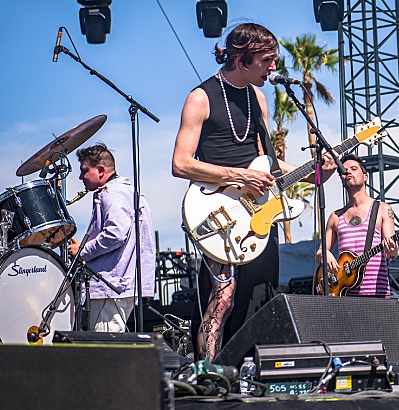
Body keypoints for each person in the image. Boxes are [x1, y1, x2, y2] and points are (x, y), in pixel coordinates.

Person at [172, 22, 335, 362]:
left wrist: (315, 173)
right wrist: (237, 176)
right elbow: (181, 164)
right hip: (219, 212)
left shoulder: (258, 97)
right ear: (243, 59)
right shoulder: (201, 98)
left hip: (260, 214)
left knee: (261, 298)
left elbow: (270, 166)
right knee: (222, 299)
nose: (273, 67)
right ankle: (208, 376)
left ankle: (250, 378)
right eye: (267, 60)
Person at [68, 143, 155, 332]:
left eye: (84, 170)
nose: (80, 177)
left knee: (105, 347)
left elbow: (115, 234)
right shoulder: (129, 192)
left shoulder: (111, 193)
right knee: (113, 343)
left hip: (111, 283)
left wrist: (81, 251)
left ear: (100, 170)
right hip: (124, 282)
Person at [317, 153, 398, 297]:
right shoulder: (335, 217)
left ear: (365, 176)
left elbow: (391, 252)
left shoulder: (383, 209)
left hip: (377, 294)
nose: (347, 172)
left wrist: (392, 249)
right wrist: (325, 254)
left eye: (353, 168)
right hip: (345, 294)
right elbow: (319, 253)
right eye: (343, 171)